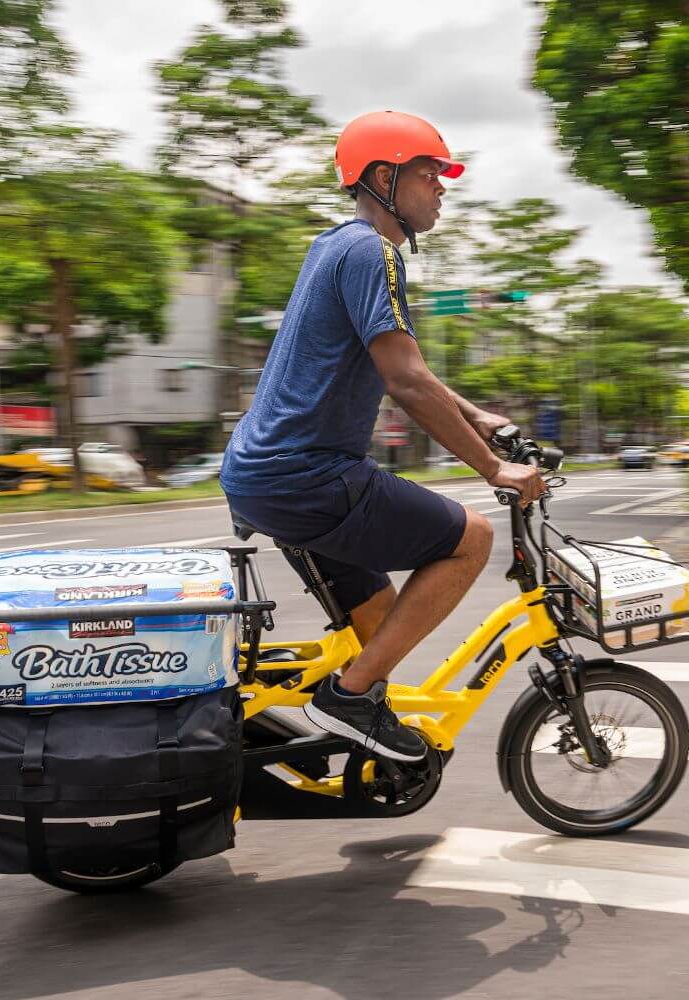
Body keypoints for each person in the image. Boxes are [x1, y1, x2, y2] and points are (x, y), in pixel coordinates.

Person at [219, 110, 546, 762]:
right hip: (305, 474)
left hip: (264, 474)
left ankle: (333, 730)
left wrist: (478, 414)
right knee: (472, 538)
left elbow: (402, 365)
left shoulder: (335, 246)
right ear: (382, 177)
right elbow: (405, 381)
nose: (441, 188)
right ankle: (346, 700)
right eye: (429, 173)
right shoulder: (374, 253)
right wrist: (493, 469)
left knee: (380, 623)